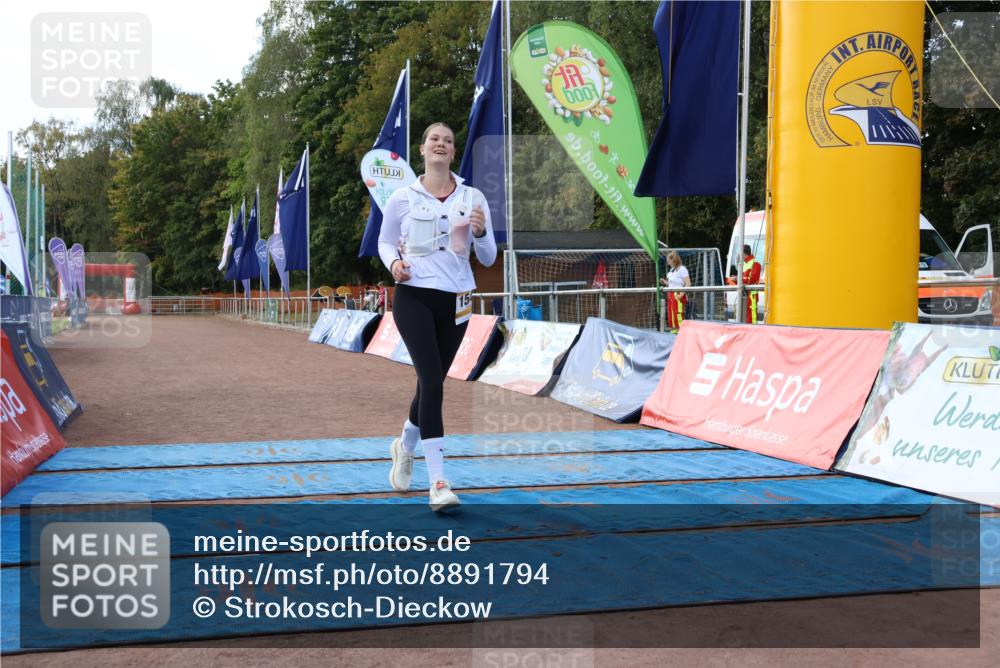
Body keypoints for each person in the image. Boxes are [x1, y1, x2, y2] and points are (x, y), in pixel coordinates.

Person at [377, 122, 497, 511]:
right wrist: (394, 262)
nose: (441, 145)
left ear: (453, 151)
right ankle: (438, 483)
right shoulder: (402, 197)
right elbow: (383, 239)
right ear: (423, 149)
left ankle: (404, 444)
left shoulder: (473, 196)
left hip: (458, 301)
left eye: (447, 140)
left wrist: (479, 233)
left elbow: (490, 256)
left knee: (431, 384)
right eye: (434, 139)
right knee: (432, 381)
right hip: (413, 297)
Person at [658, 250, 690, 333]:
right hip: (670, 294)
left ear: (674, 260)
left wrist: (681, 295)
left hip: (678, 294)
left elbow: (688, 284)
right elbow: (672, 284)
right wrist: (665, 282)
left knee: (678, 314)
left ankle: (681, 332)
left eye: (669, 261)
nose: (668, 263)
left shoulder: (682, 269)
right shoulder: (672, 270)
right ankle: (674, 331)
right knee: (671, 315)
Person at [741, 244, 762, 324]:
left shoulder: (755, 264)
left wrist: (738, 279)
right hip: (745, 295)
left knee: (751, 318)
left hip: (751, 296)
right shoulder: (744, 264)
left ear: (743, 253)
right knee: (744, 317)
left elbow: (751, 280)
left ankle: (753, 333)